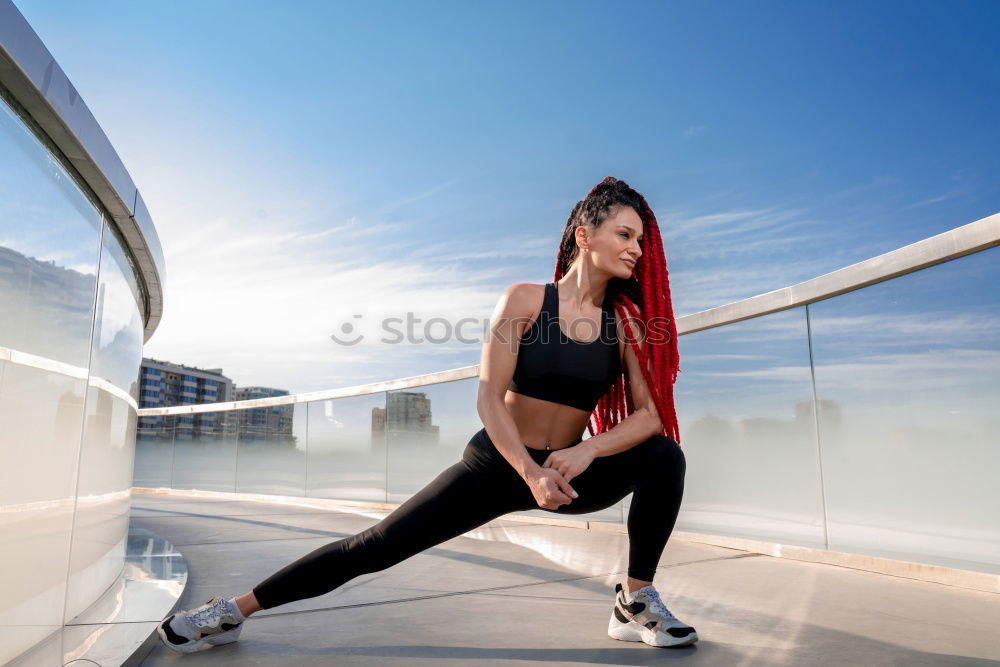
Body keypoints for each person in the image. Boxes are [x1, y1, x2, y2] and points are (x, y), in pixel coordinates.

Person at [156, 176, 696, 653]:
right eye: (625, 235)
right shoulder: (526, 301)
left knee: (664, 456)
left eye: (641, 240)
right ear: (585, 236)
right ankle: (231, 612)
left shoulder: (625, 323)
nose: (637, 250)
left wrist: (586, 450)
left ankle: (635, 599)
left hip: (569, 473)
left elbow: (649, 415)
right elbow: (488, 397)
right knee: (375, 547)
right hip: (501, 467)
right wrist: (529, 472)